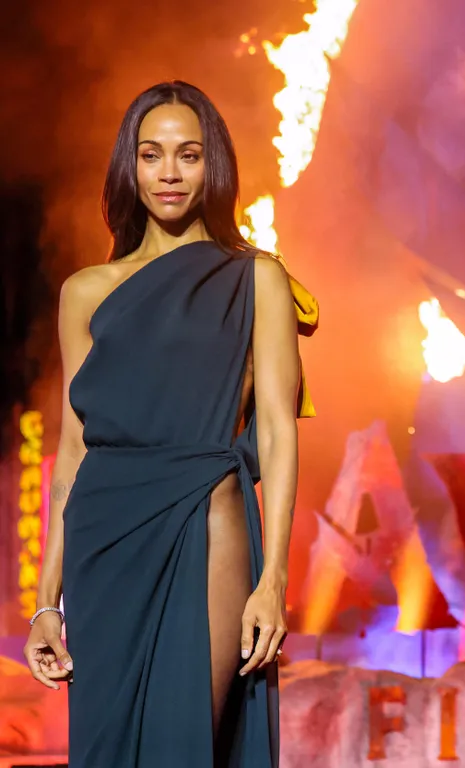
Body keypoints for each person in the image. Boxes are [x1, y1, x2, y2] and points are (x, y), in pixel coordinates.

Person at [21, 80, 318, 767]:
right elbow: (72, 451)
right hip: (104, 544)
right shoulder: (85, 292)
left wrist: (273, 579)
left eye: (188, 155)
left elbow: (277, 428)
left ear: (212, 165)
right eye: (152, 155)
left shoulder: (257, 280)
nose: (170, 173)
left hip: (206, 521)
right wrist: (46, 602)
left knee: (183, 748)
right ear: (131, 167)